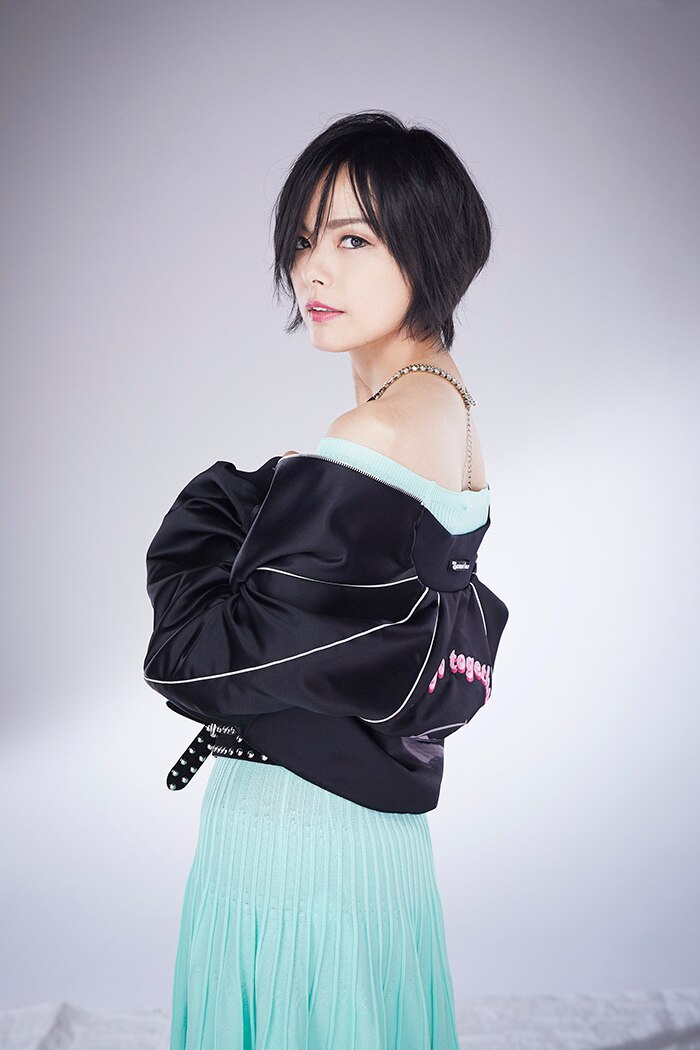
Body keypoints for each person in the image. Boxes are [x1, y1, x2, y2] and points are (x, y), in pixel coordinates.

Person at [149, 110, 505, 1050]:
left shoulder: (375, 432)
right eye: (304, 240)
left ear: (429, 248)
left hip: (295, 840)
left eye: (352, 239)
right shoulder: (450, 407)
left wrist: (223, 502)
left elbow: (201, 662)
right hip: (373, 842)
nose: (313, 270)